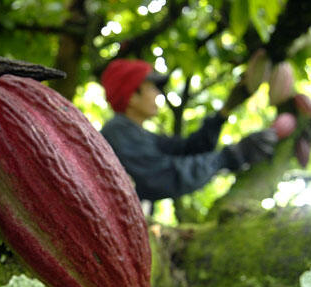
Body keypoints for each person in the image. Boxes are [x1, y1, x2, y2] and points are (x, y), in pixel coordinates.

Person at [99, 58, 277, 202]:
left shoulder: (136, 133)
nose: (158, 94)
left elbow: (187, 149)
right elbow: (164, 177)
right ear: (132, 97)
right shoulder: (118, 132)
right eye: (152, 88)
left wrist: (224, 112)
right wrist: (229, 156)